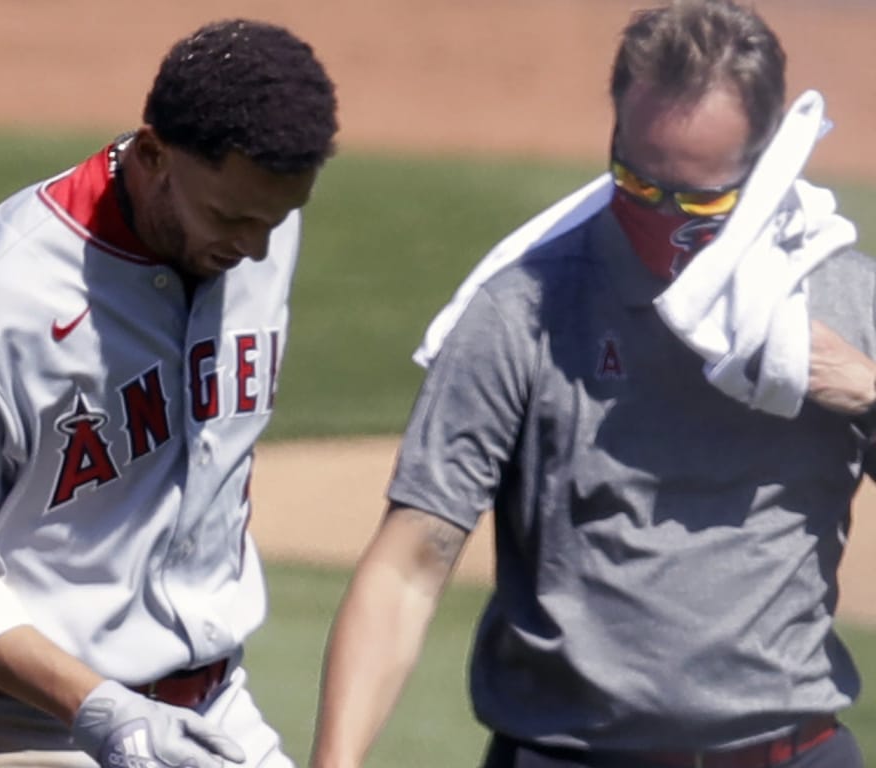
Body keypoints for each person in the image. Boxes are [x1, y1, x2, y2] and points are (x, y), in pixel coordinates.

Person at [310, 1, 873, 767]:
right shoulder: (524, 309)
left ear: (769, 155)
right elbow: (413, 557)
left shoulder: (842, 300)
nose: (663, 217)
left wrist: (869, 388)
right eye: (640, 186)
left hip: (790, 753)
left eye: (701, 199)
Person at [0, 18, 338, 768]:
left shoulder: (255, 234)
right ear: (151, 154)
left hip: (218, 711)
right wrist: (100, 708)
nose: (256, 250)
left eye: (277, 219)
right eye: (231, 217)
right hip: (29, 729)